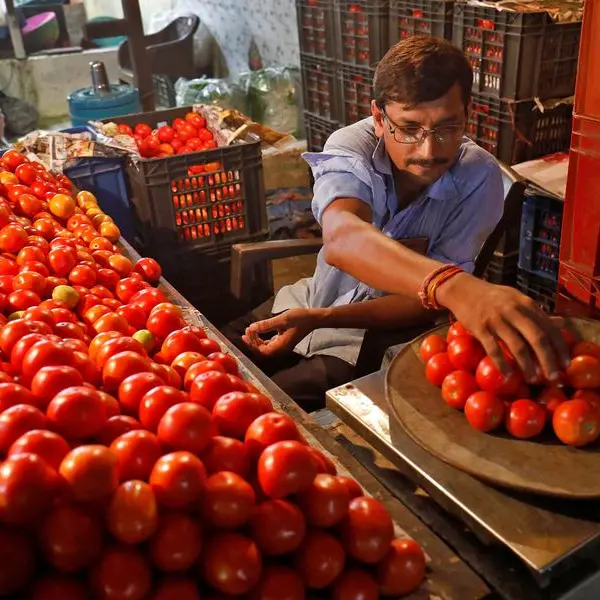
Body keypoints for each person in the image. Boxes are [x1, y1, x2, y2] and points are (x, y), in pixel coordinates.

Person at [223, 36, 569, 412]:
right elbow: (342, 237)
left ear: (467, 114)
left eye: (447, 128)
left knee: (262, 407)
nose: (429, 150)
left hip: (372, 335)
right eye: (408, 128)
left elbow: (420, 305)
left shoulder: (478, 178)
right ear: (378, 117)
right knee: (214, 357)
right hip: (311, 296)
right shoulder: (352, 146)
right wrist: (455, 287)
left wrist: (324, 320)